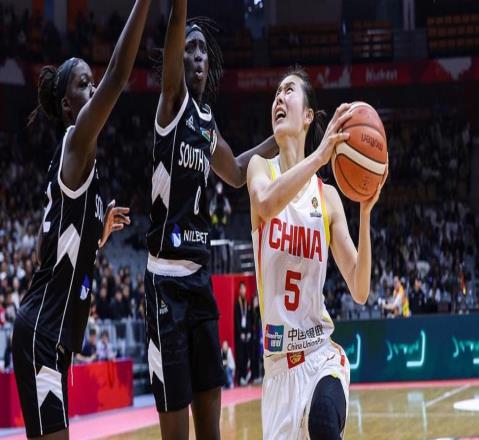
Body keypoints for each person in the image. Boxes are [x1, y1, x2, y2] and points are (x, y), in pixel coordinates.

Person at [11, 1, 151, 438]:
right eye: (83, 84)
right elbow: (119, 76)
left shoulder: (77, 165)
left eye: (92, 82)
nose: (93, 89)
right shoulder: (75, 142)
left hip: (52, 337)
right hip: (43, 333)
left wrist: (95, 234)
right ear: (68, 107)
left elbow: (46, 249)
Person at [144, 1, 278, 438]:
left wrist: (282, 138)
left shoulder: (205, 123)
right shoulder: (171, 104)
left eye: (203, 50)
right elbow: (176, 26)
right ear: (176, 58)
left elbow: (237, 173)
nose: (198, 56)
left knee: (211, 430)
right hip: (166, 282)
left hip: (200, 284)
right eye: (190, 48)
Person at [247, 67, 387, 439]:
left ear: (308, 115)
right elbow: (265, 203)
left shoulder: (327, 197)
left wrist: (365, 214)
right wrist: (320, 156)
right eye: (276, 93)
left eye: (288, 91)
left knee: (324, 421)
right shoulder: (260, 170)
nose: (279, 98)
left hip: (320, 355)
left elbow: (360, 289)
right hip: (278, 372)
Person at [234, 281, 251, 385]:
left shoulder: (247, 303)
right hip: (239, 334)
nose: (243, 290)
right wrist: (240, 332)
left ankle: (245, 376)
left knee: (246, 355)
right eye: (241, 289)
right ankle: (240, 377)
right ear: (239, 290)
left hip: (246, 333)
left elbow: (248, 318)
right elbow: (237, 319)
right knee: (240, 356)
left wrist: (248, 331)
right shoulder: (237, 303)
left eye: (244, 288)